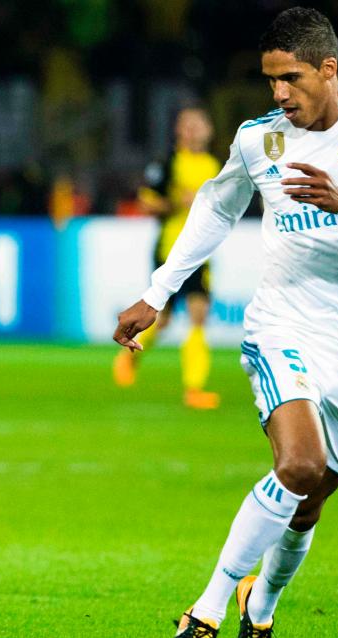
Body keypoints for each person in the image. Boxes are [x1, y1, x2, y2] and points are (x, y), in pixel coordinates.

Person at [113, 7, 338, 638]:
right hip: (283, 327)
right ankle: (202, 612)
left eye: (291, 78)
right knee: (298, 464)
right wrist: (159, 291)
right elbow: (216, 204)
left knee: (311, 499)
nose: (280, 95)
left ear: (327, 68)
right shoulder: (259, 138)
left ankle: (260, 604)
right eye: (270, 81)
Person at [113, 106, 223, 410]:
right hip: (170, 250)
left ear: (209, 130)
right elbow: (146, 202)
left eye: (199, 124)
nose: (193, 130)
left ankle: (194, 389)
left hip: (202, 253)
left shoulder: (215, 165)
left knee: (198, 315)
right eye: (188, 125)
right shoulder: (168, 163)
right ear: (178, 131)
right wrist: (177, 201)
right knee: (162, 321)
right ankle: (130, 355)